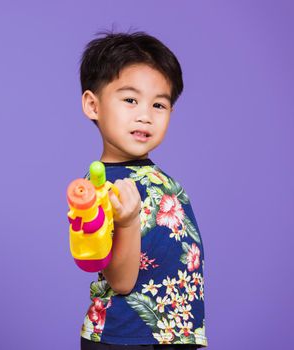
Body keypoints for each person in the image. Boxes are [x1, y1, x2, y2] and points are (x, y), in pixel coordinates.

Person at [76, 30, 208, 349]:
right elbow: (121, 282)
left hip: (176, 334)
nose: (145, 115)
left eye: (159, 105)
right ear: (93, 105)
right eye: (130, 99)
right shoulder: (98, 188)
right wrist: (127, 221)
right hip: (124, 337)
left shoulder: (159, 177)